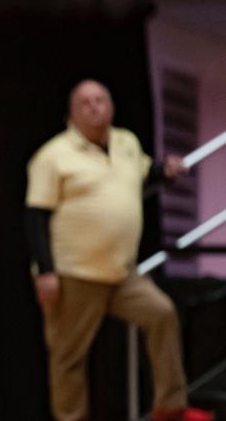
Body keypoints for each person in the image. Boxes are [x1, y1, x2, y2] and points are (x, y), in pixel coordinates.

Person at [25, 79, 212, 421]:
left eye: (101, 99)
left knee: (162, 314)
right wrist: (47, 271)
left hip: (122, 273)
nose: (95, 107)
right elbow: (36, 216)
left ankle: (171, 408)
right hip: (73, 274)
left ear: (111, 105)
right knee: (68, 357)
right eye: (86, 102)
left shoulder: (127, 142)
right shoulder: (53, 156)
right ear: (71, 113)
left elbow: (144, 173)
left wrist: (165, 171)